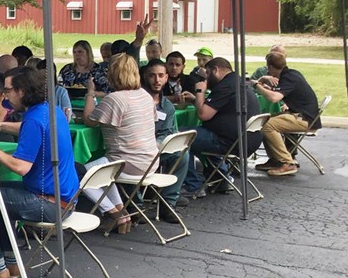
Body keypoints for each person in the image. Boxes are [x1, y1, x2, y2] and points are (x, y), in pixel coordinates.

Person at [0, 66, 79, 278]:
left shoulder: (34, 120)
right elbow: (30, 128)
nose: (6, 95)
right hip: (65, 199)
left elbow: (21, 167)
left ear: (22, 91)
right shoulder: (49, 110)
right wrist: (2, 125)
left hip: (49, 203)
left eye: (8, 91)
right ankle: (11, 263)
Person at [82, 54, 159, 232]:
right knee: (104, 170)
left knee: (80, 175)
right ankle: (121, 212)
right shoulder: (145, 96)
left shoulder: (115, 99)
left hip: (126, 163)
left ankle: (113, 212)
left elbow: (88, 120)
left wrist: (90, 92)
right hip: (150, 162)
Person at [182, 57, 262, 197]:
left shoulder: (225, 86)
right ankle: (221, 179)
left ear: (215, 70)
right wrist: (196, 100)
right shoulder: (240, 82)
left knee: (181, 137)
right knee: (202, 136)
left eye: (207, 74)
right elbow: (216, 108)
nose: (206, 79)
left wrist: (199, 91)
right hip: (248, 139)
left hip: (230, 141)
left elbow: (203, 114)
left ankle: (192, 185)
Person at [251, 52, 321, 176]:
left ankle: (287, 163)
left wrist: (256, 85)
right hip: (307, 116)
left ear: (271, 67)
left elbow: (274, 98)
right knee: (266, 120)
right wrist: (263, 80)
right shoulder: (292, 74)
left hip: (305, 119)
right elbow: (276, 91)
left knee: (267, 125)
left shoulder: (288, 78)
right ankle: (275, 160)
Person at [141, 59, 190, 220]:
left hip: (156, 148)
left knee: (182, 154)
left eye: (161, 76)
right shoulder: (137, 100)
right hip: (137, 149)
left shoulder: (167, 105)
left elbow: (168, 132)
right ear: (144, 77)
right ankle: (137, 206)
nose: (157, 80)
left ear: (166, 78)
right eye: (152, 76)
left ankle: (168, 203)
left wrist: (155, 145)